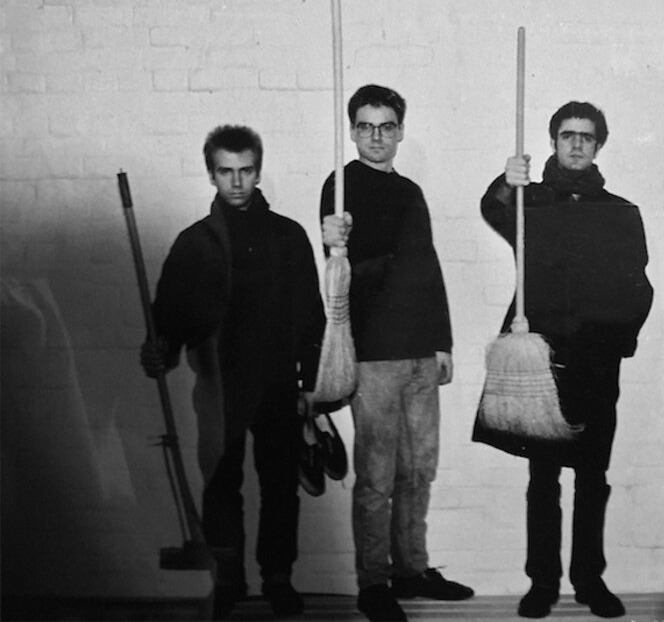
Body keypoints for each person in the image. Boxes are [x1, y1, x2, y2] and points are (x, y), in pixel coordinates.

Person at [476, 101, 653, 619]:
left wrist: (618, 340)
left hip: (597, 361)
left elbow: (638, 286)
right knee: (543, 479)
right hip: (541, 362)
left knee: (592, 477)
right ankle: (543, 583)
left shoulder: (621, 212)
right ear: (553, 141)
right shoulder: (529, 203)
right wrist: (506, 181)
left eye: (586, 136)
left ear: (599, 146)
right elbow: (493, 209)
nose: (576, 144)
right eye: (567, 135)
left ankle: (589, 580)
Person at [140, 125, 325, 619]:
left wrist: (311, 384)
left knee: (280, 485)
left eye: (245, 170)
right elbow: (168, 316)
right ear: (211, 174)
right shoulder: (194, 243)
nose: (237, 182)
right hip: (220, 384)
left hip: (278, 382)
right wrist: (158, 349)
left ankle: (278, 578)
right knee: (221, 483)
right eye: (226, 171)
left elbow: (312, 316)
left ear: (258, 171)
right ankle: (227, 580)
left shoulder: (288, 236)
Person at [320, 84, 473, 622]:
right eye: (365, 126)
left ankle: (411, 568)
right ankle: (373, 582)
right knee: (377, 476)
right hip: (374, 355)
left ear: (401, 131)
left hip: (420, 353)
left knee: (418, 469)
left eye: (386, 126)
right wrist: (333, 240)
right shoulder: (340, 187)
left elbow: (427, 266)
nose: (376, 136)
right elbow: (340, 269)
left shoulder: (410, 191)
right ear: (353, 131)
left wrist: (442, 342)